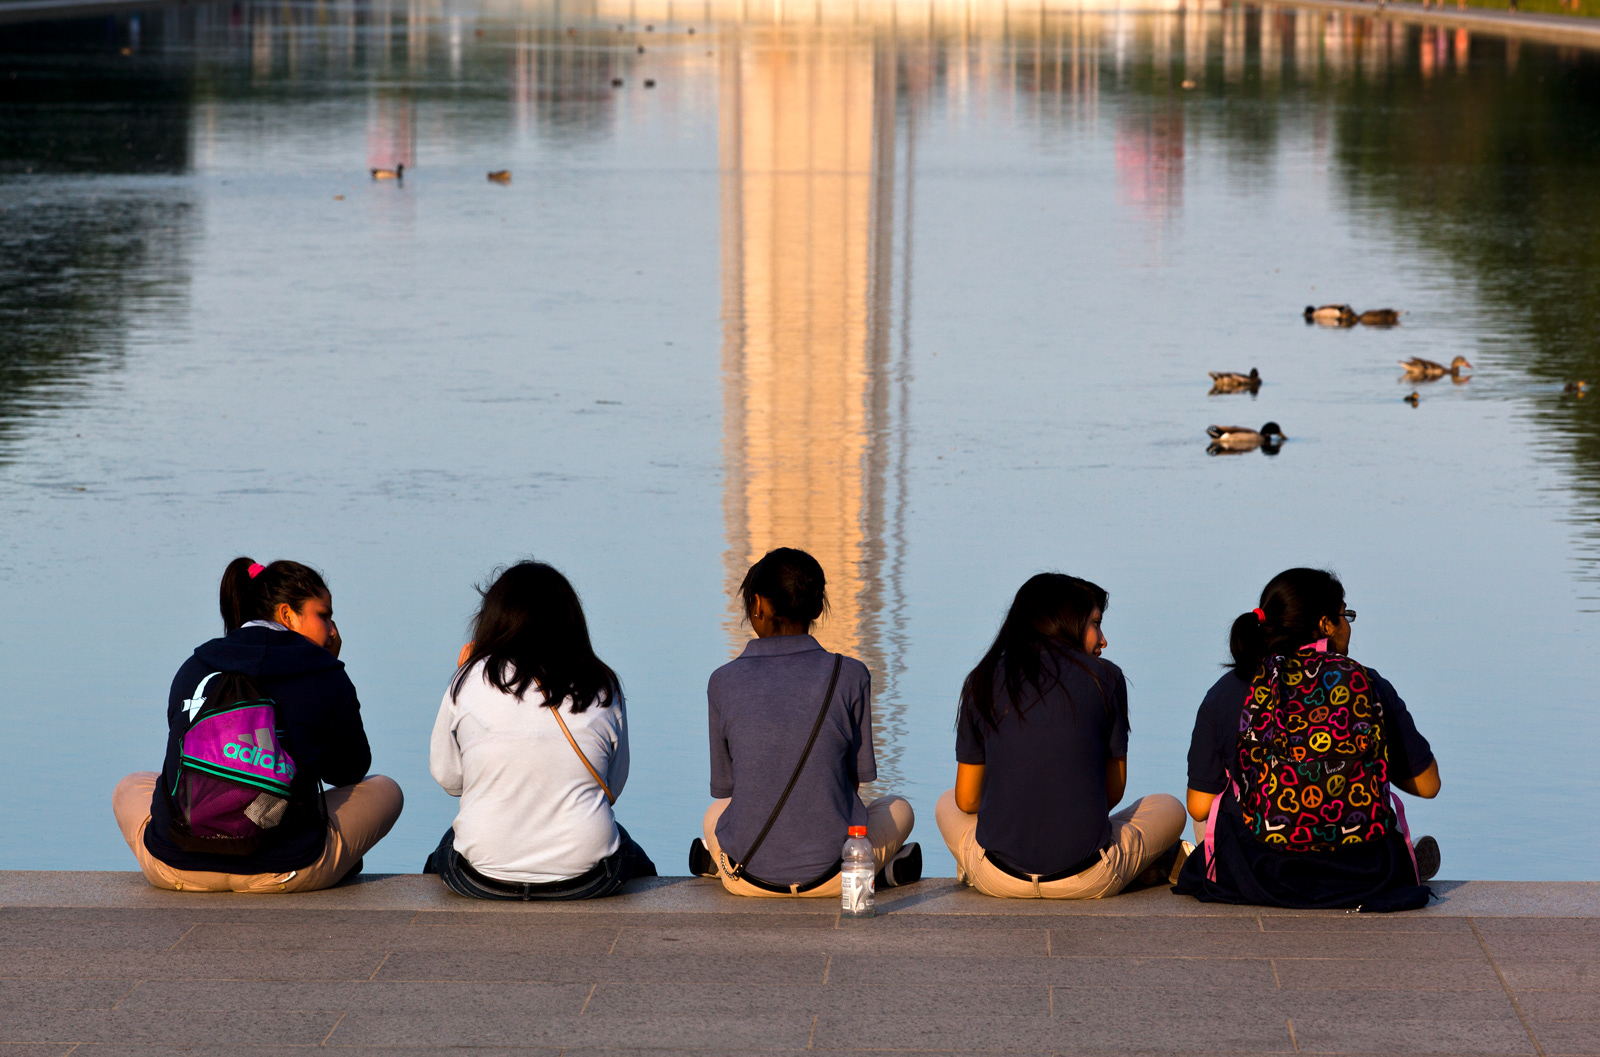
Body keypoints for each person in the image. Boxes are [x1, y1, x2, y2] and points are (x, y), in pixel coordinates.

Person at [113, 557, 403, 892]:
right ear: (286, 614)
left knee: (131, 784)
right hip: (284, 870)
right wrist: (328, 671)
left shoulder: (195, 665)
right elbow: (348, 771)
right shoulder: (322, 672)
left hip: (178, 867)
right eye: (323, 615)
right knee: (387, 790)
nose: (333, 629)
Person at [1174, 568, 1442, 909]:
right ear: (1326, 624)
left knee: (1218, 807)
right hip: (1364, 875)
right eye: (1345, 615)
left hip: (1260, 877)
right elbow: (1428, 785)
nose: (1349, 626)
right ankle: (1409, 856)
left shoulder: (1226, 691)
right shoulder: (1367, 683)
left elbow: (1197, 806)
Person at [936, 573, 1188, 898]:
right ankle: (1143, 866)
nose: (1103, 639)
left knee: (947, 801)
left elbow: (967, 800)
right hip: (1089, 877)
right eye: (1095, 623)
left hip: (998, 879)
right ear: (1066, 622)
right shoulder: (1106, 678)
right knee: (1170, 806)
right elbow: (1112, 793)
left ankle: (971, 866)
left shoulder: (982, 679)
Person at [692, 547, 919, 896]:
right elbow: (853, 783)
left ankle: (719, 864)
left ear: (757, 605)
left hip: (749, 881)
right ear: (817, 607)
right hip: (834, 875)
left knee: (715, 813)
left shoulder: (722, 681)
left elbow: (729, 788)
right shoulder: (851, 675)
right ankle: (878, 874)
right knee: (899, 809)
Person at [424, 561, 656, 900]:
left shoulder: (468, 679)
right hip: (587, 878)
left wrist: (464, 673)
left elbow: (449, 780)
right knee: (629, 848)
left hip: (482, 879)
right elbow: (612, 786)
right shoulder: (602, 683)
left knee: (447, 846)